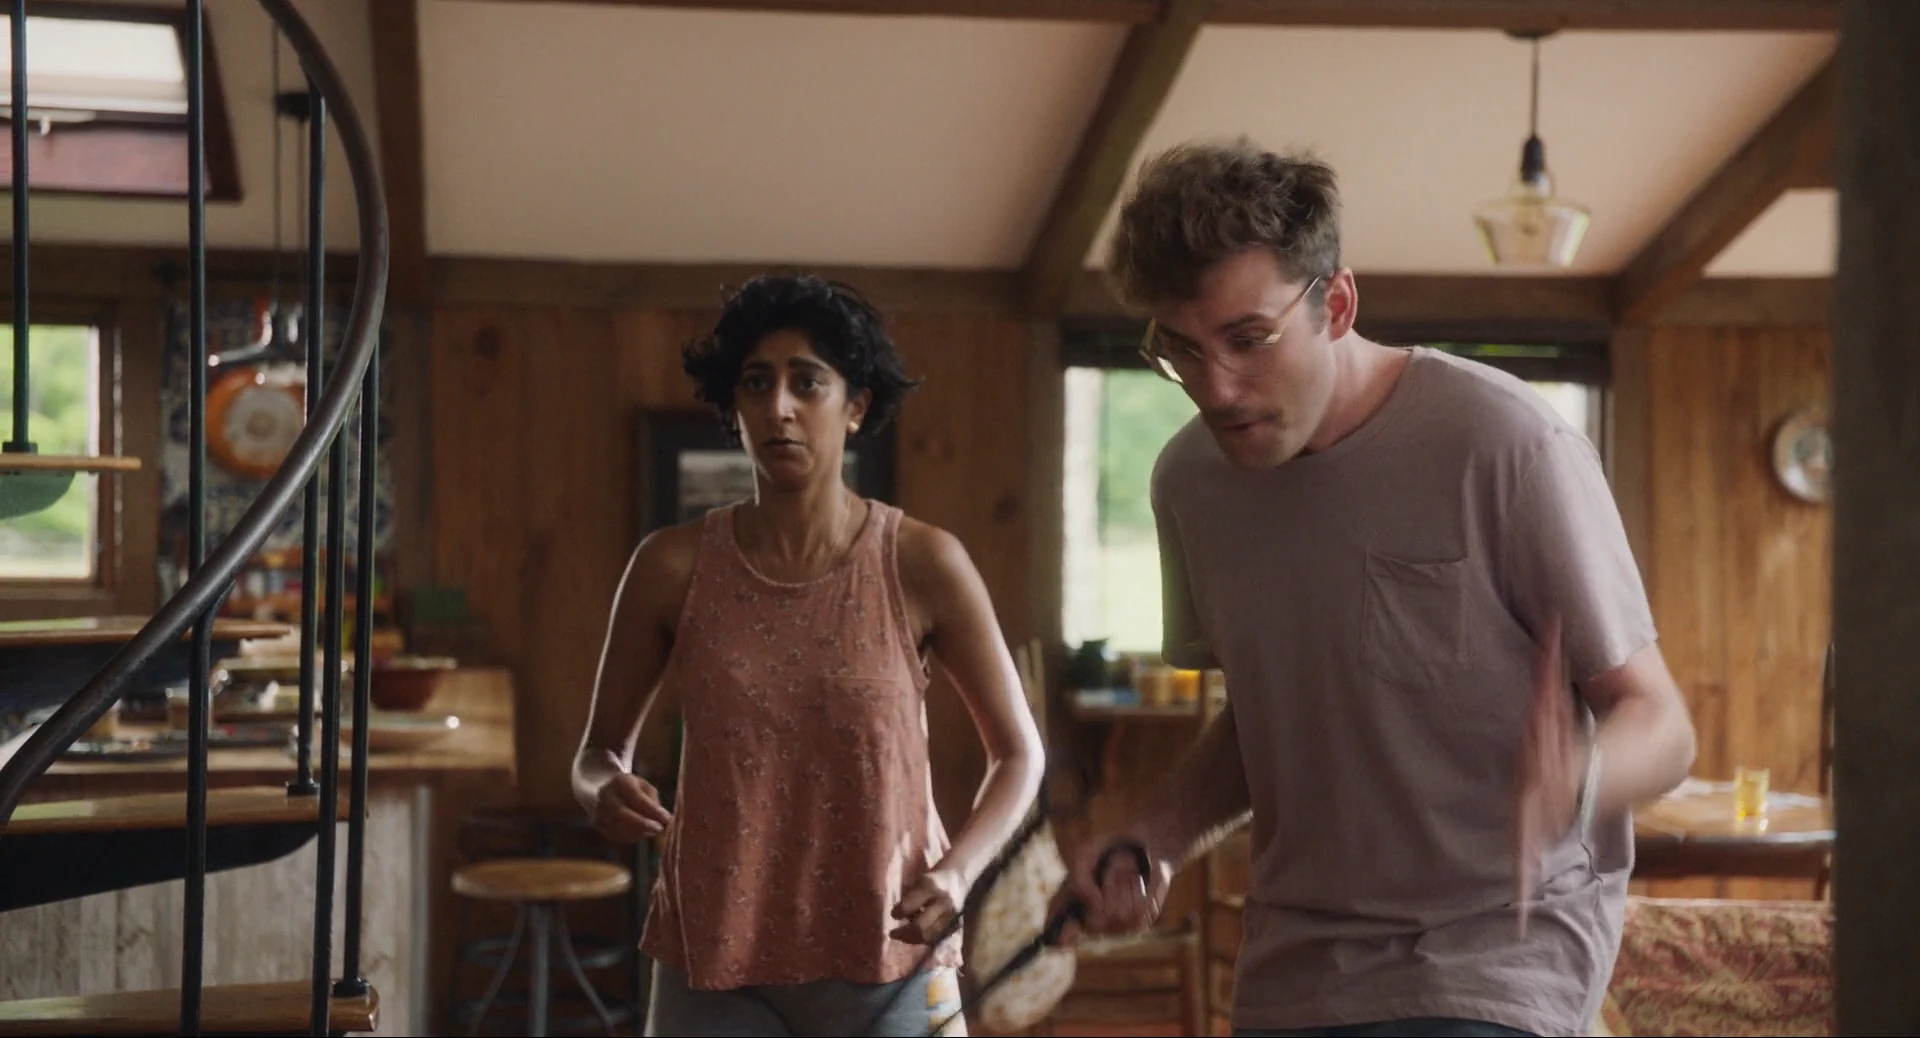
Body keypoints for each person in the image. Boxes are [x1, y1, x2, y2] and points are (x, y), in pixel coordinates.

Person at [1053, 139, 1698, 1038]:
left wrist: (1579, 777)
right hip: (1297, 966)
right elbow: (1264, 724)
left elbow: (1660, 720)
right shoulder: (1189, 484)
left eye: (1248, 339)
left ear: (1339, 304)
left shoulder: (1505, 445)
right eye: (1182, 352)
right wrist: (1153, 839)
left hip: (1496, 954)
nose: (1217, 389)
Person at [573, 273, 1045, 1037]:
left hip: (890, 952)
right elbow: (596, 755)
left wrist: (958, 874)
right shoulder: (670, 566)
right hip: (712, 959)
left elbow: (1020, 754)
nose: (779, 407)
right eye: (756, 383)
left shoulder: (922, 562)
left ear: (855, 405)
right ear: (734, 406)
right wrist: (602, 789)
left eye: (807, 382)